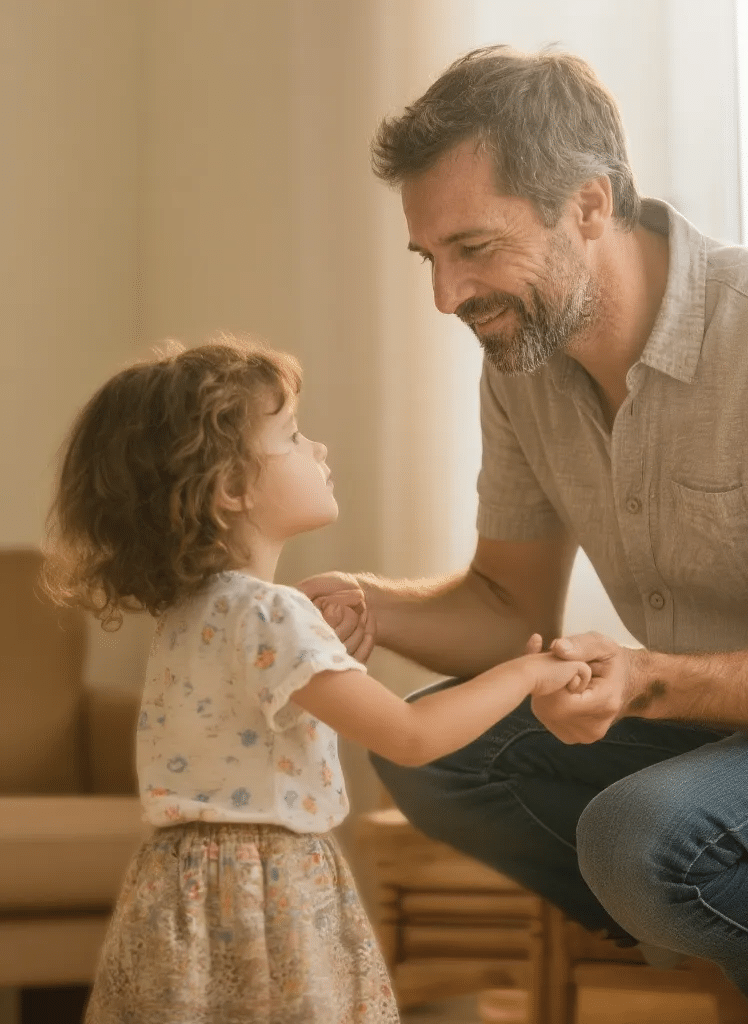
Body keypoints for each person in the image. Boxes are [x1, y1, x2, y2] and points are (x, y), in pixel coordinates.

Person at [300, 44, 748, 1024]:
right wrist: (366, 608)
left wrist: (645, 677)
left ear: (589, 206)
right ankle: (731, 926)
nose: (446, 296)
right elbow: (504, 609)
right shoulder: (520, 361)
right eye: (431, 257)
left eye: (474, 247)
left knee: (637, 829)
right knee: (433, 748)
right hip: (738, 731)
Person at [42, 337, 593, 1024]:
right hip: (267, 890)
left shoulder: (187, 615)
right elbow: (412, 736)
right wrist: (528, 671)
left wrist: (332, 670)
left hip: (176, 888)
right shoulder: (271, 614)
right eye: (293, 437)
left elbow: (246, 730)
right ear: (232, 487)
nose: (320, 450)